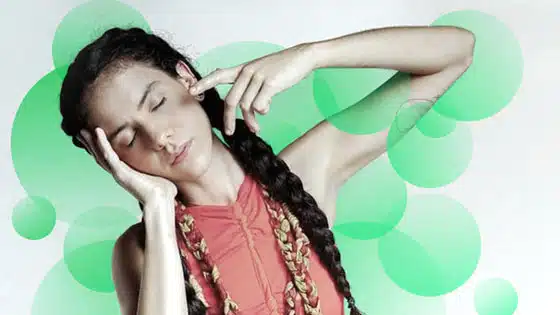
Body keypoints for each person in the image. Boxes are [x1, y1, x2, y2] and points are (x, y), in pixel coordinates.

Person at [58, 25, 474, 315]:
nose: (159, 137)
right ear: (109, 160)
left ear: (186, 79)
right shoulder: (142, 249)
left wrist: (313, 55)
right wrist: (158, 209)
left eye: (157, 103)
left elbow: (455, 54)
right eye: (127, 139)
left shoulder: (303, 177)